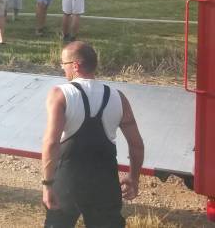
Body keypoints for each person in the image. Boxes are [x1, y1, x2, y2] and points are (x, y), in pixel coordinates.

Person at [41, 41, 144, 228]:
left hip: (69, 180)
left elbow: (51, 143)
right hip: (104, 181)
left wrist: (47, 184)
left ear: (75, 66)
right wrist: (134, 177)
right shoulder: (118, 97)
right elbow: (136, 145)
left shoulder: (60, 94)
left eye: (63, 64)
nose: (63, 69)